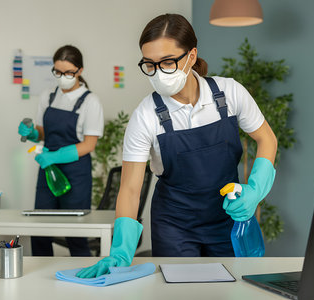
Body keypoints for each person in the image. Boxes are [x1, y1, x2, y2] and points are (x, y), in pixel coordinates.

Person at [77, 13, 277, 278]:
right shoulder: (145, 115)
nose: (159, 73)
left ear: (191, 56)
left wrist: (255, 189)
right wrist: (121, 251)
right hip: (175, 226)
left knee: (232, 289)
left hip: (228, 220)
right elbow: (130, 188)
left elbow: (267, 139)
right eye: (150, 64)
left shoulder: (230, 93)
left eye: (168, 62)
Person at [18, 45, 104, 256]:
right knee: (39, 231)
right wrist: (31, 134)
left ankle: (85, 283)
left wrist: (55, 156)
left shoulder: (90, 102)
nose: (62, 77)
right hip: (48, 172)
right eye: (58, 71)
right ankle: (40, 281)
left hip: (76, 175)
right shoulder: (48, 96)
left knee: (75, 235)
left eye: (68, 73)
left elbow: (89, 144)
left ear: (79, 71)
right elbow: (43, 133)